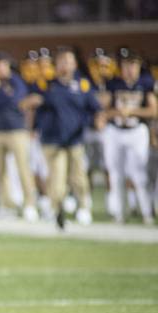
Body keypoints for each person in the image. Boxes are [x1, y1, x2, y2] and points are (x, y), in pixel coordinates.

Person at [22, 48, 101, 228]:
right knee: (56, 179)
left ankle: (83, 208)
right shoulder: (45, 84)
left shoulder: (83, 85)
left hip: (74, 139)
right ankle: (57, 211)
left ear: (74, 64)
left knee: (78, 177)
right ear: (56, 64)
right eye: (62, 61)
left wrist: (95, 121)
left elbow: (95, 108)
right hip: (52, 139)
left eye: (68, 61)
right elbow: (28, 102)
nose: (65, 65)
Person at [100, 48, 157, 224]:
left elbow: (153, 111)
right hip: (115, 131)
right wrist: (118, 112)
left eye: (133, 65)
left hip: (136, 131)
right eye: (126, 65)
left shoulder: (146, 83)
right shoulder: (113, 83)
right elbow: (104, 111)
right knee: (116, 174)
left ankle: (147, 212)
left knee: (139, 174)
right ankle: (119, 214)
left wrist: (132, 111)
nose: (129, 69)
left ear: (139, 66)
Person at [0, 52, 38, 221]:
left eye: (1, 65)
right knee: (0, 170)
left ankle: (30, 204)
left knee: (23, 169)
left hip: (17, 130)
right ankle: (7, 204)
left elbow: (14, 100)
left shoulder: (16, 81)